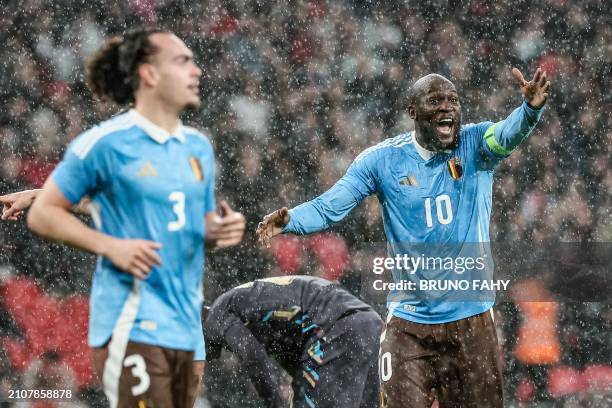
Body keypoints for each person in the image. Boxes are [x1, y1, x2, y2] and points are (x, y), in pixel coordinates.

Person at [257, 68, 550, 407]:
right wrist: (290, 219)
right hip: (410, 326)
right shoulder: (382, 161)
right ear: (413, 112)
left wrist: (530, 109)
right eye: (435, 100)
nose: (447, 108)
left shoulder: (476, 144)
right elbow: (330, 206)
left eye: (453, 101)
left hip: (472, 322)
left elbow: (506, 134)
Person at [26, 28, 246, 408]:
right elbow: (44, 213)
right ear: (149, 74)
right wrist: (110, 246)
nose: (196, 71)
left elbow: (194, 224)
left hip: (187, 329)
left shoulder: (198, 147)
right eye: (183, 61)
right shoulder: (105, 144)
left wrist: (218, 230)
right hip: (133, 321)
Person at [204, 275, 383, 408]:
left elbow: (253, 358)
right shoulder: (247, 313)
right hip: (366, 321)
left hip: (335, 325)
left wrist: (275, 404)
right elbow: (299, 368)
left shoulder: (215, 317)